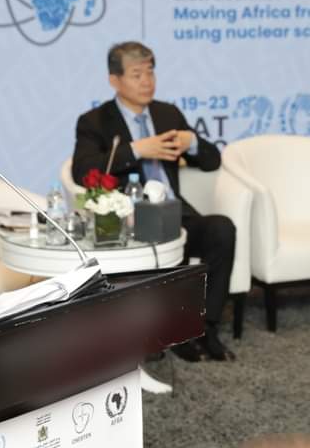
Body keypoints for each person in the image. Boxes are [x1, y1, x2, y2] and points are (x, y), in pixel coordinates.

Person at [72, 41, 236, 361]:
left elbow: (212, 161)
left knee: (221, 229)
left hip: (176, 215)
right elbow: (83, 171)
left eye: (150, 72)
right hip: (131, 221)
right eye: (137, 75)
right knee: (159, 236)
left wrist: (192, 142)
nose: (147, 81)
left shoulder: (167, 113)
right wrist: (136, 150)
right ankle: (166, 333)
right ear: (114, 80)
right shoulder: (95, 121)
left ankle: (205, 327)